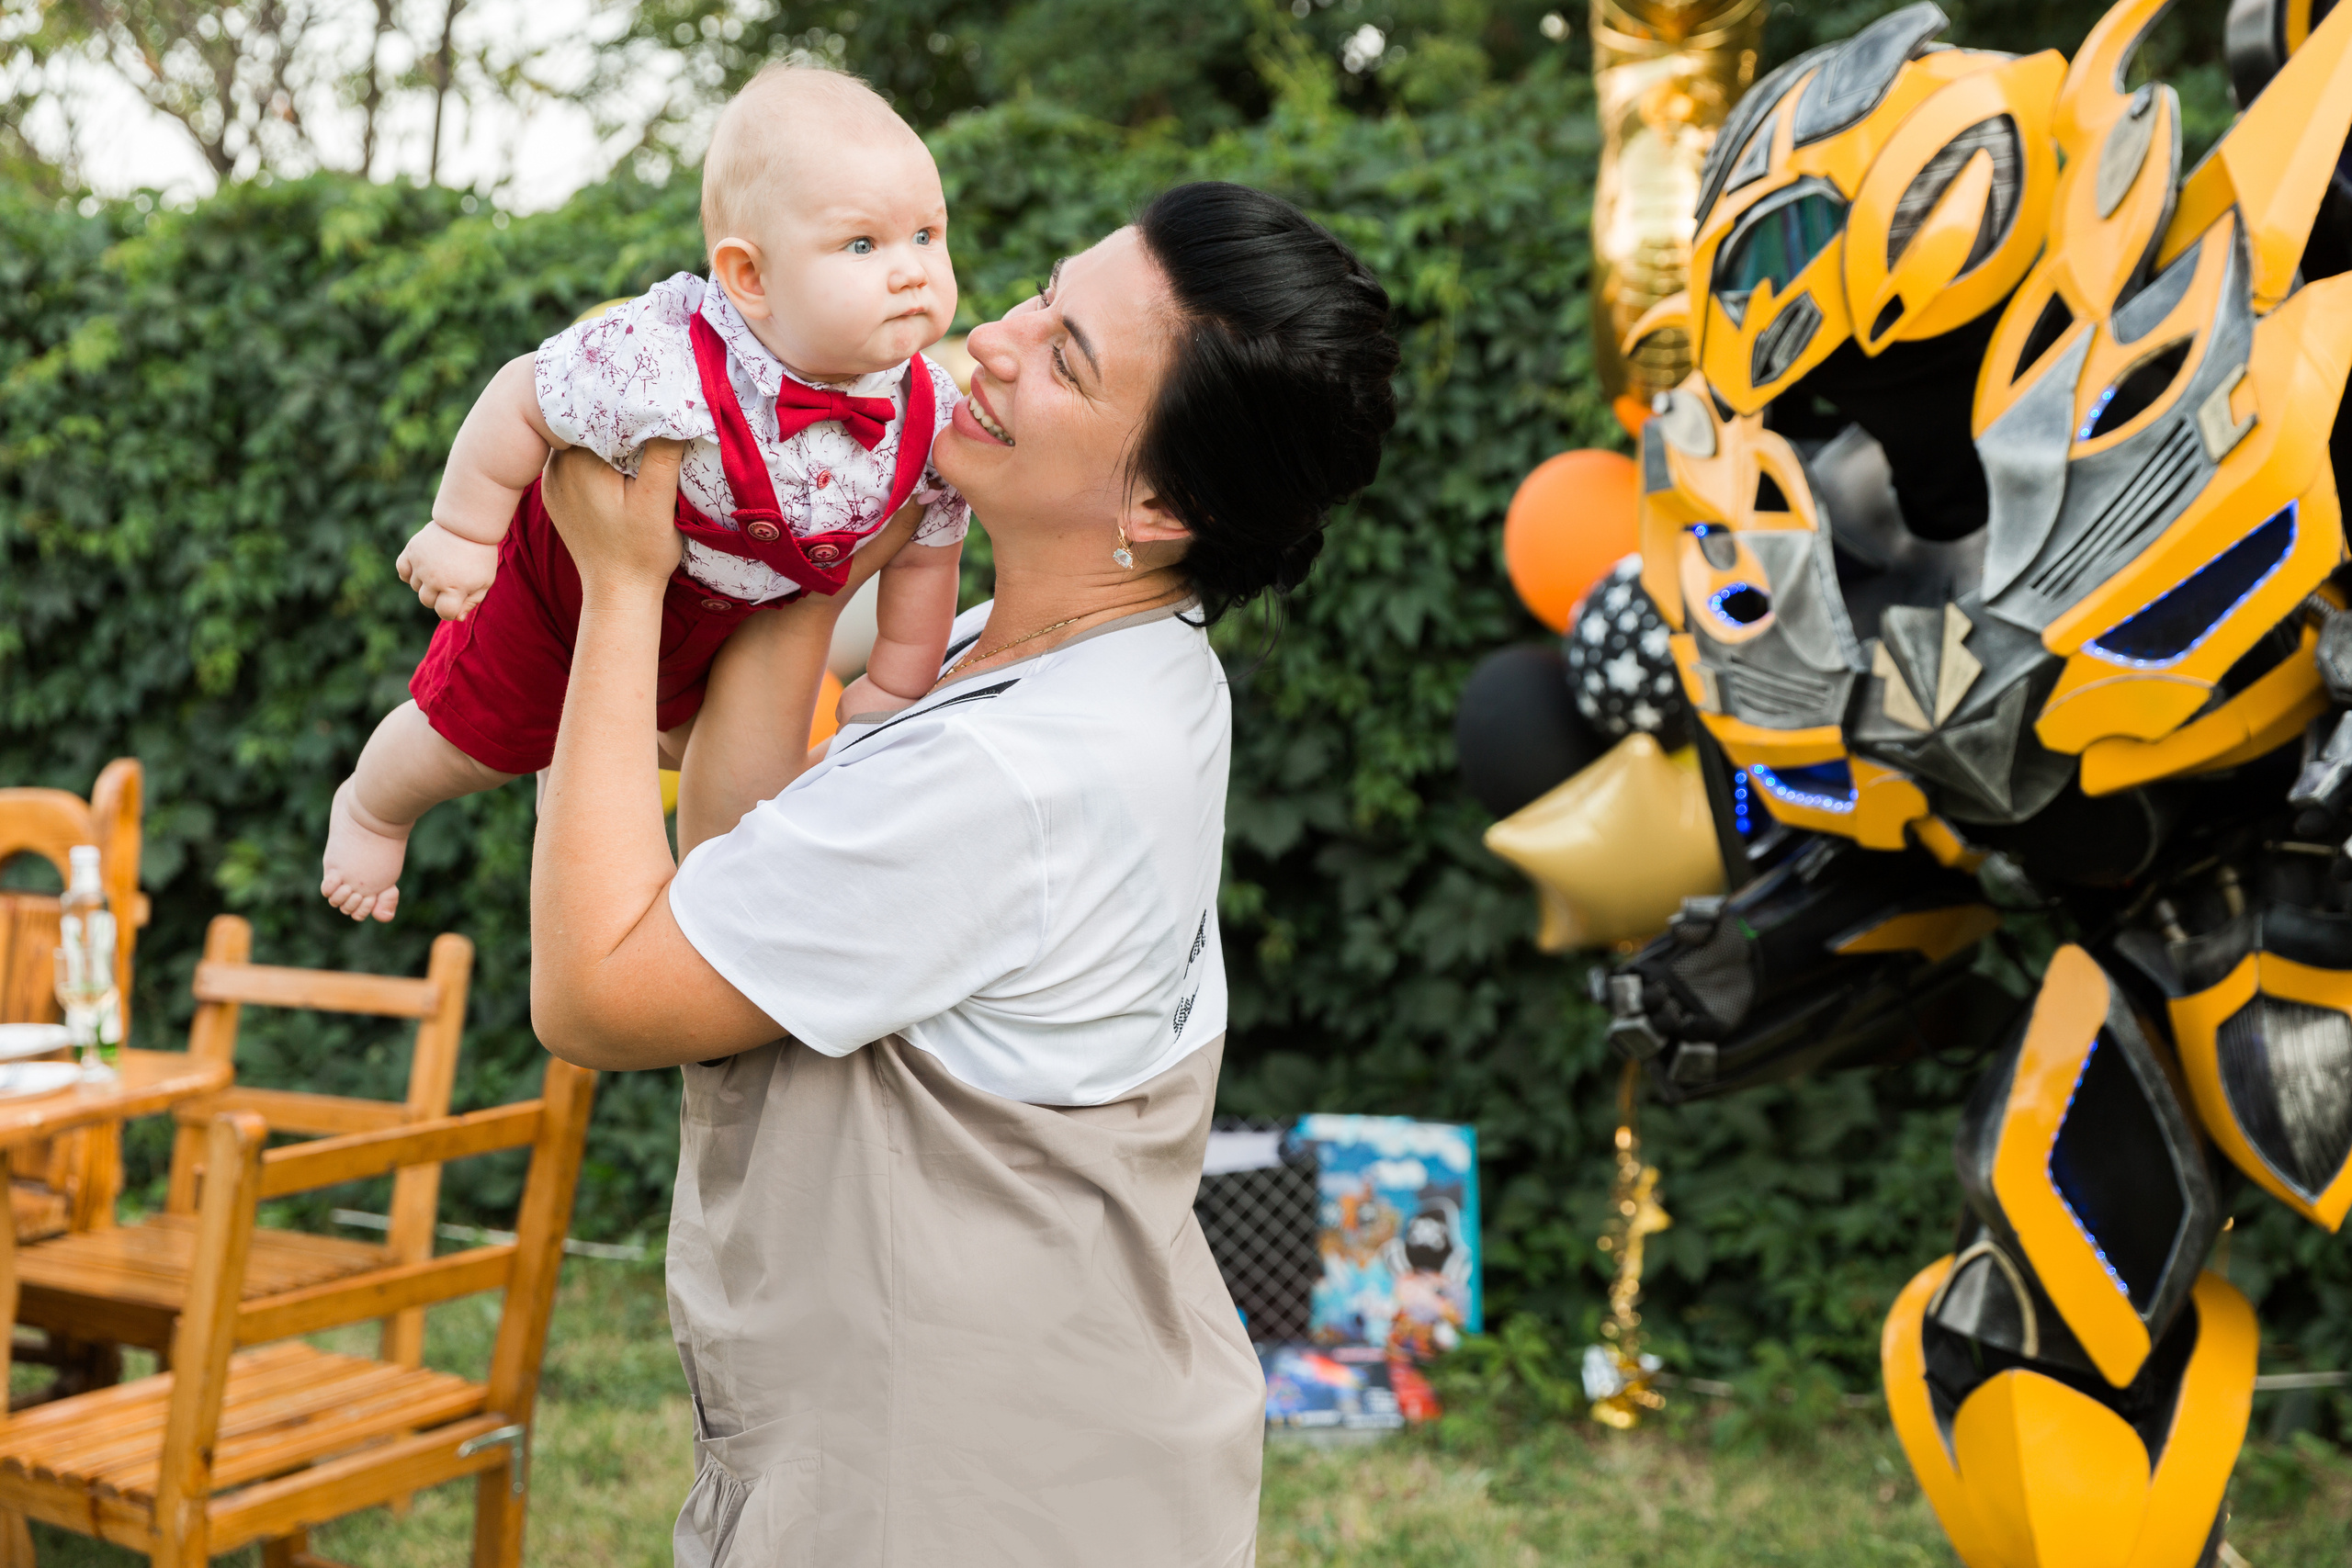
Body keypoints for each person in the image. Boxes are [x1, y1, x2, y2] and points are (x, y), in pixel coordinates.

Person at [527, 180, 1398, 1566]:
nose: (992, 335)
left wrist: (617, 584)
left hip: (950, 1499)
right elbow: (745, 853)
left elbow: (597, 994)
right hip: (1066, 1446)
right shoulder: (1089, 653)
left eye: (1067, 357)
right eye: (1046, 292)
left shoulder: (1022, 770)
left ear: (1162, 502)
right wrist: (814, 538)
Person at [321, 64, 969, 924]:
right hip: (562, 592)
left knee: (733, 781)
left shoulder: (930, 411)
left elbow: (931, 547)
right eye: (863, 245)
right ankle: (371, 808)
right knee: (471, 742)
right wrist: (462, 531)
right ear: (750, 277)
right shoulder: (662, 359)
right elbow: (524, 396)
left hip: (722, 624)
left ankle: (687, 913)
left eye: (926, 234)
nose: (911, 271)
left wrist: (896, 675)